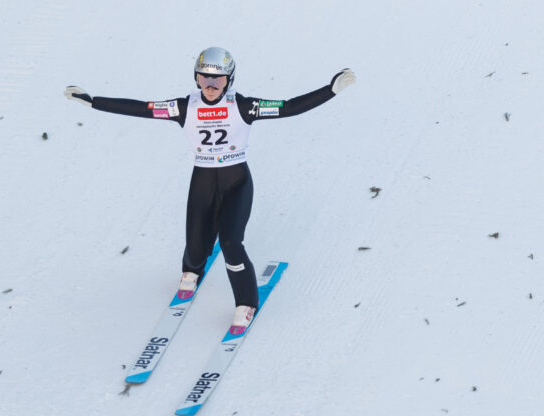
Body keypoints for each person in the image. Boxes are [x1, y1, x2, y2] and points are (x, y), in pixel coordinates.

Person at [65, 47, 355, 334]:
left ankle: (246, 303)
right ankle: (191, 271)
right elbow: (143, 108)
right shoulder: (184, 107)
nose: (212, 86)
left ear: (230, 80)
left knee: (231, 244)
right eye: (205, 79)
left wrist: (331, 90)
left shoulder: (242, 106)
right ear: (196, 79)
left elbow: (289, 107)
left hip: (236, 183)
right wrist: (93, 102)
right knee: (195, 244)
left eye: (218, 80)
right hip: (203, 181)